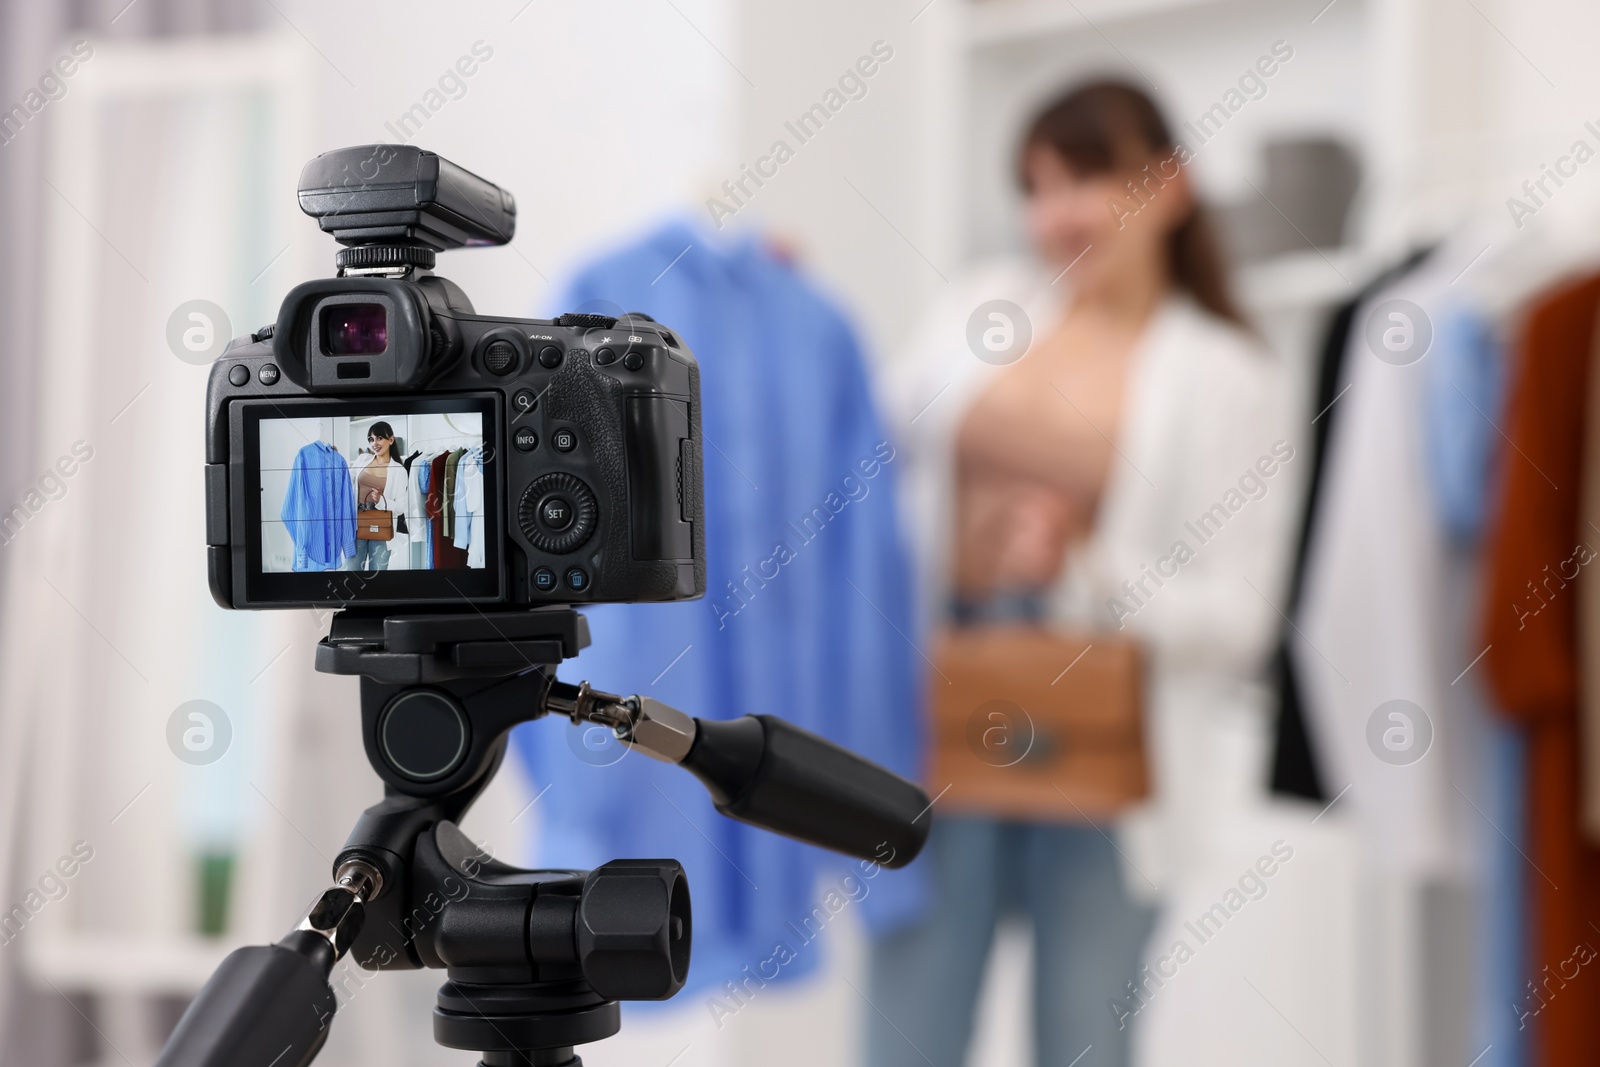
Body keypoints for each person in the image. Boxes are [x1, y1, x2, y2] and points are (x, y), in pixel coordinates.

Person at [868, 81, 1296, 1065]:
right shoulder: (978, 306)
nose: (1055, 213)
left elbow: (1241, 615)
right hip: (942, 713)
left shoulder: (1229, 373)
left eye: (1087, 177)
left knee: (1083, 1040)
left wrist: (1090, 568)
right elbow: (862, 446)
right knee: (904, 1031)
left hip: (1107, 742)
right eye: (1036, 185)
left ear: (1172, 186)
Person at [348, 420, 409, 571]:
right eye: (371, 439)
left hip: (381, 528)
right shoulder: (362, 459)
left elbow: (400, 508)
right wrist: (334, 457)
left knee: (377, 576)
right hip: (356, 525)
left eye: (379, 438)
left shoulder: (399, 471)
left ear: (391, 439)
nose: (374, 443)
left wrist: (381, 500)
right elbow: (345, 479)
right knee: (351, 572)